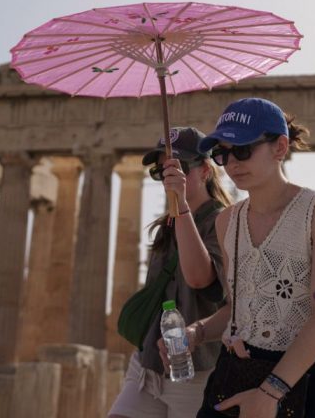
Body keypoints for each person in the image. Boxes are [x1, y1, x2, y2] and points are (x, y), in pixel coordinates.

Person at [176, 98, 315, 417]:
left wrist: (271, 392)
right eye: (222, 153)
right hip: (237, 371)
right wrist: (196, 332)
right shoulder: (226, 221)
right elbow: (236, 308)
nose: (232, 163)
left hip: (304, 377)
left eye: (243, 149)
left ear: (280, 147)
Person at [108, 127, 233, 418]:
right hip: (147, 366)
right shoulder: (166, 226)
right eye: (160, 171)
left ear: (204, 171)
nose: (168, 177)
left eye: (178, 168)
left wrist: (183, 208)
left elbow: (199, 278)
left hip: (196, 370)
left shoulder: (223, 221)